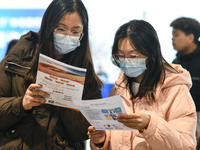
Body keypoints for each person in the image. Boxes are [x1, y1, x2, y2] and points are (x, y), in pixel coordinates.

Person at [0, 0, 102, 149]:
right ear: (49, 26)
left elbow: (84, 131)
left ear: (83, 34)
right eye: (61, 29)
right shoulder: (19, 58)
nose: (68, 36)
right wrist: (22, 104)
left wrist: (68, 103)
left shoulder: (84, 71)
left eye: (75, 31)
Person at [87, 19, 197, 150]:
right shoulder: (119, 88)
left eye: (133, 56)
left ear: (151, 54)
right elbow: (114, 135)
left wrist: (150, 125)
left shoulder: (175, 90)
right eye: (120, 56)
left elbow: (186, 146)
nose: (126, 62)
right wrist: (102, 141)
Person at [170, 17, 200, 147]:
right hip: (179, 121)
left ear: (190, 37)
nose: (172, 39)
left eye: (176, 35)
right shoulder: (175, 64)